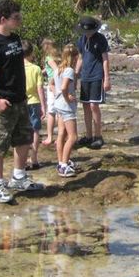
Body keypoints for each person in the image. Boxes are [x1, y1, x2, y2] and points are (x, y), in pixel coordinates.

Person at [0, 0, 44, 203]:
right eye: (16, 17)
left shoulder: (15, 38)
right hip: (2, 103)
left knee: (24, 140)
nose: (20, 20)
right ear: (3, 19)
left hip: (21, 100)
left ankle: (19, 177)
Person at [75, 15, 110, 149]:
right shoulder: (81, 39)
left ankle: (98, 136)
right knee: (85, 106)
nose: (87, 33)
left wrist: (107, 79)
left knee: (94, 105)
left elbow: (105, 59)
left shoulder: (100, 39)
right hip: (85, 76)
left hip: (97, 75)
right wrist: (75, 75)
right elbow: (80, 58)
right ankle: (89, 136)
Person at [53, 43, 79, 177]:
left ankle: (61, 162)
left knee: (61, 134)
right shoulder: (69, 70)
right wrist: (67, 97)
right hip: (66, 107)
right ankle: (64, 165)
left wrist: (58, 94)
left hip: (58, 105)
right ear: (74, 57)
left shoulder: (58, 69)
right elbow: (64, 87)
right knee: (73, 136)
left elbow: (52, 84)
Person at [21, 40, 46, 170]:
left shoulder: (17, 68)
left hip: (21, 102)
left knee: (22, 132)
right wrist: (44, 106)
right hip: (34, 102)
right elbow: (40, 89)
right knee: (35, 130)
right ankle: (34, 159)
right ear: (31, 53)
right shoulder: (36, 69)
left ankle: (23, 161)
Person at [40, 38, 60, 146]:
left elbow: (56, 70)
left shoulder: (49, 58)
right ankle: (60, 136)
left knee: (51, 112)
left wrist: (51, 82)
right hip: (59, 85)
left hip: (53, 87)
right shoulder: (58, 57)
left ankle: (50, 137)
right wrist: (40, 72)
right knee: (60, 112)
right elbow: (51, 69)